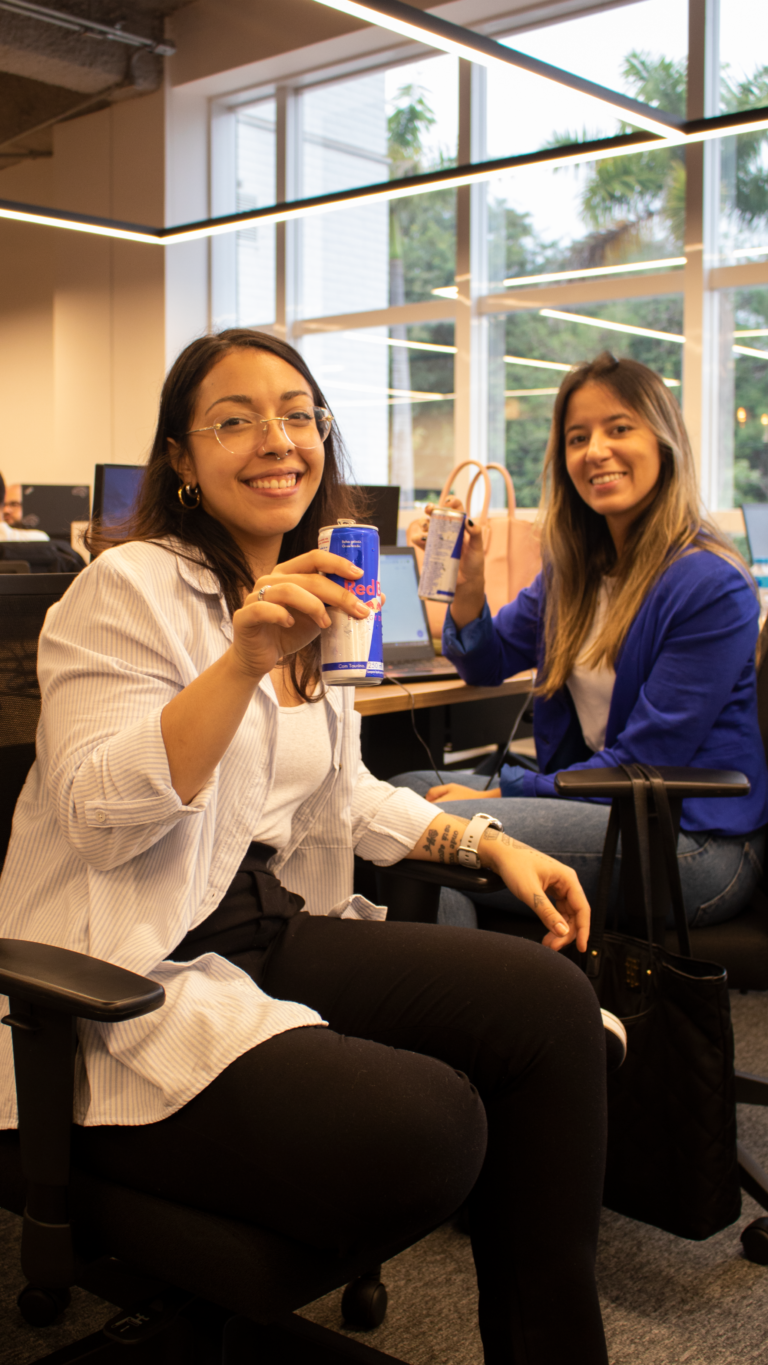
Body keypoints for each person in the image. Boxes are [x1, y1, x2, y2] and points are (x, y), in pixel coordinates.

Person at [0, 328, 609, 1365]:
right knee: (432, 1128)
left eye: (296, 414)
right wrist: (239, 664)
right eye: (234, 420)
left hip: (263, 922)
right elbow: (99, 814)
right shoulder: (128, 587)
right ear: (182, 462)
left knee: (553, 1007)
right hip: (130, 962)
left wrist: (485, 844)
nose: (275, 440)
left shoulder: (307, 589)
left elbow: (340, 798)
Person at [391, 352, 768, 933]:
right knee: (399, 798)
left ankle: (467, 1004)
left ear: (664, 443)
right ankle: (480, 988)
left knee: (428, 830)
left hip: (690, 840)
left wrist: (503, 793)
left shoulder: (710, 584)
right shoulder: (574, 573)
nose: (595, 451)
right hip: (600, 801)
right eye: (577, 437)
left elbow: (644, 761)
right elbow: (487, 665)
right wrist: (468, 586)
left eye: (619, 428)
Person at [0, 472, 49, 542]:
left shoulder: (38, 539)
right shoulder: (41, 538)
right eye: (4, 505)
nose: (6, 510)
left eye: (14, 504)